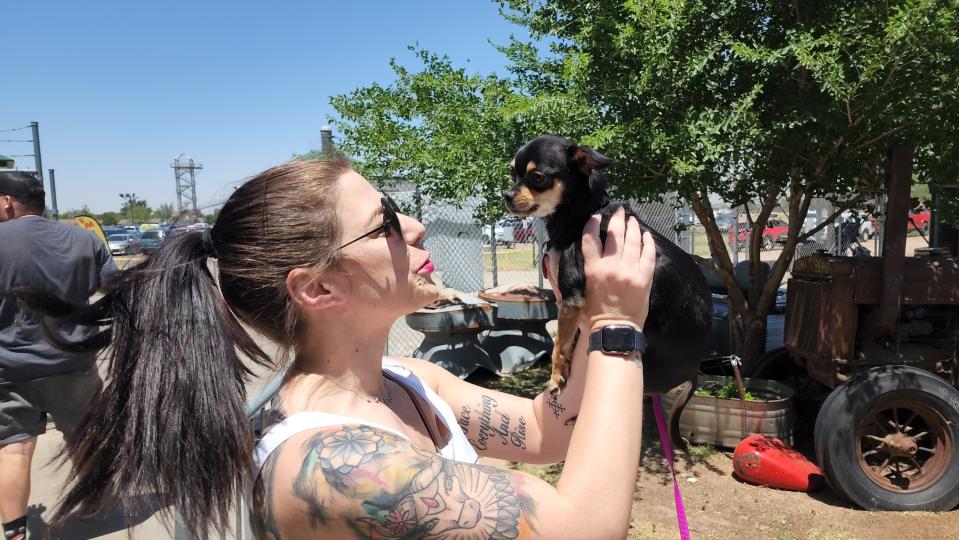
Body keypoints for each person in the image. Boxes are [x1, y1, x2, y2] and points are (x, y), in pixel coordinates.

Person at [27, 156, 656, 540]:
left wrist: (588, 316)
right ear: (320, 288)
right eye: (385, 223)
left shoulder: (408, 381)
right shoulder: (333, 463)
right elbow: (585, 529)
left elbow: (551, 432)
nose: (415, 227)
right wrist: (620, 328)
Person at [0, 171, 116, 540]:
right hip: (74, 362)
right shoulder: (83, 239)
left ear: (7, 201)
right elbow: (113, 288)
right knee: (83, 437)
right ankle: (93, 502)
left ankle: (16, 532)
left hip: (8, 367)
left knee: (13, 450)